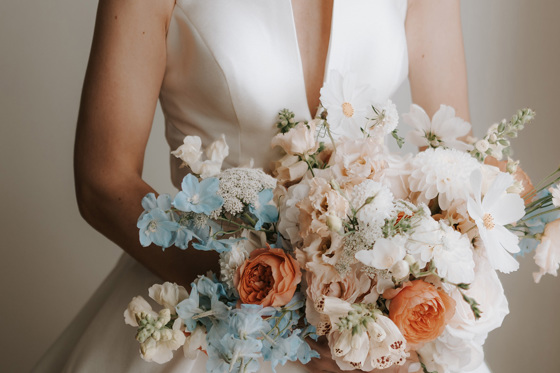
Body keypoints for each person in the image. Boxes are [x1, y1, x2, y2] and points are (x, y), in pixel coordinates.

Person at [31, 0, 488, 372]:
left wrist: (397, 303)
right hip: (210, 298)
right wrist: (281, 312)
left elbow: (452, 162)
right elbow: (101, 182)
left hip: (371, 325)